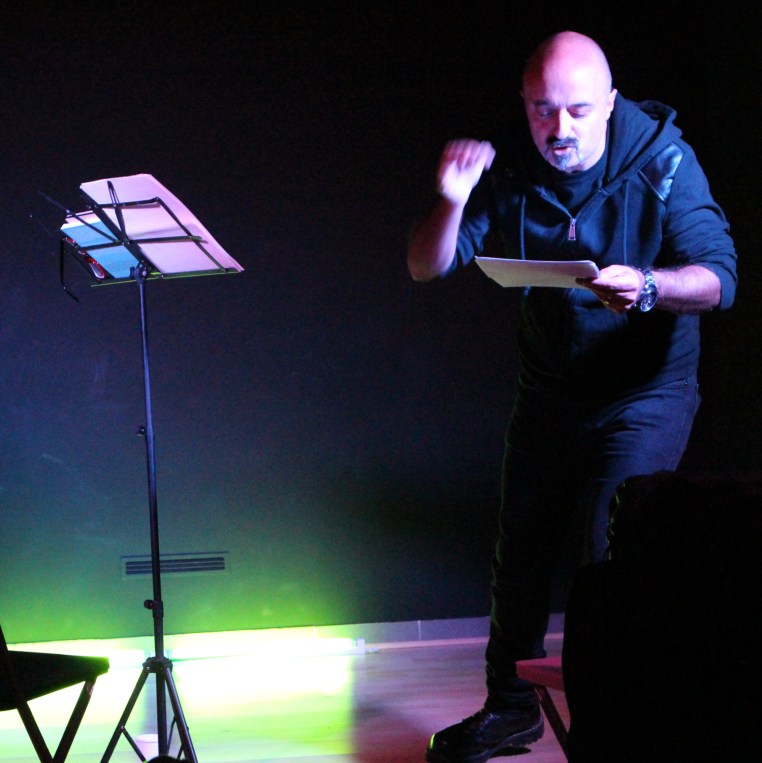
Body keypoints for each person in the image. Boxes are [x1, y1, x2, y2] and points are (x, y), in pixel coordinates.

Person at [407, 30, 737, 763]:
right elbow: (427, 265)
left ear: (610, 104)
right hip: (551, 389)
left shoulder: (663, 159)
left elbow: (719, 278)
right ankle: (510, 709)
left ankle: (613, 722)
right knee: (519, 553)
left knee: (610, 556)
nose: (559, 128)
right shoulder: (509, 164)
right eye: (542, 110)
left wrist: (648, 287)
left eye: (579, 111)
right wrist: (451, 201)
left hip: (646, 391)